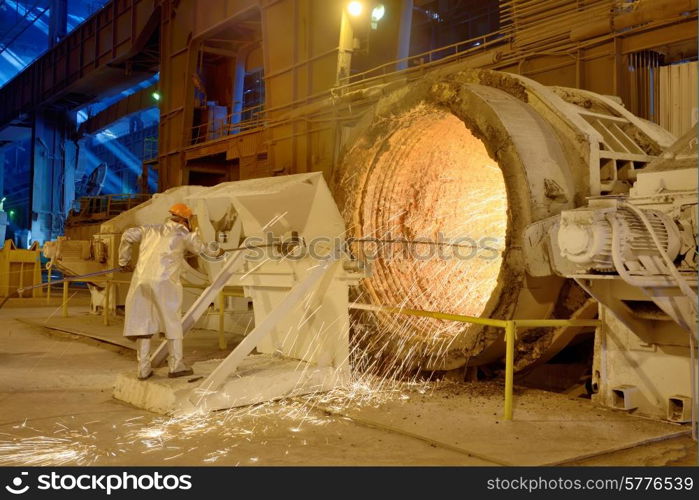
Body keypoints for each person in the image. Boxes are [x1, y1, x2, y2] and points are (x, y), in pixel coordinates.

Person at [118, 203, 217, 380]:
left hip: (141, 281)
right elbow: (202, 250)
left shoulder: (150, 229)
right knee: (172, 321)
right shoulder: (183, 233)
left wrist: (123, 262)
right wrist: (217, 251)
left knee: (143, 323)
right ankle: (176, 365)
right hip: (164, 283)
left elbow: (127, 235)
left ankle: (143, 369)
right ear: (184, 219)